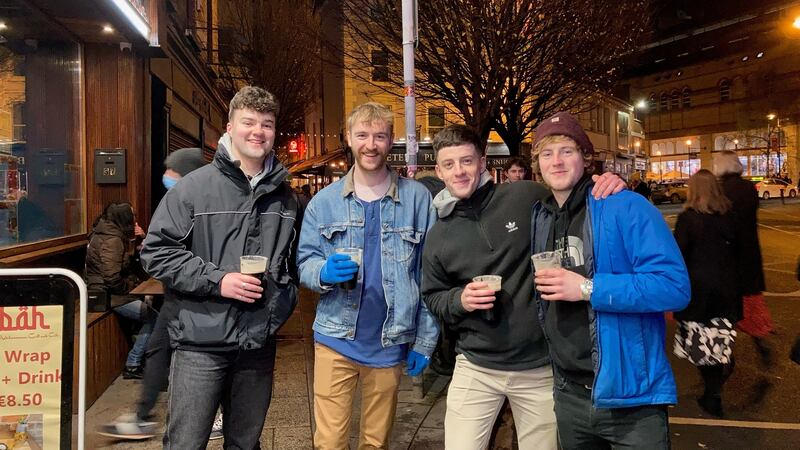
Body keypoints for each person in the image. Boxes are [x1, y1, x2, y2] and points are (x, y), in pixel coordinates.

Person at [421, 123, 624, 449]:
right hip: (475, 367)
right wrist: (461, 299)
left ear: (483, 161)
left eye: (467, 161)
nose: (459, 172)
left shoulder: (524, 196)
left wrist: (608, 182)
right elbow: (432, 296)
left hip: (539, 367)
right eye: (449, 164)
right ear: (439, 171)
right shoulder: (438, 234)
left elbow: (571, 194)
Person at [140, 86, 302, 449]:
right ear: (229, 127)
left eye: (267, 123)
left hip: (257, 342)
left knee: (245, 443)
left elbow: (291, 264)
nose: (257, 131)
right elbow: (156, 251)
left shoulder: (286, 197)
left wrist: (279, 309)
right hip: (200, 343)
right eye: (248, 122)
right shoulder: (194, 188)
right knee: (186, 442)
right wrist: (219, 280)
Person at [529, 112, 690, 449]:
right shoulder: (541, 216)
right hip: (569, 395)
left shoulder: (625, 206)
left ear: (586, 158)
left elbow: (674, 287)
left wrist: (589, 288)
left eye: (566, 151)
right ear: (537, 164)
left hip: (631, 401)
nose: (556, 161)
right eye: (546, 153)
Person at [296, 102, 439, 450]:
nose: (370, 144)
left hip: (390, 342)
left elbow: (431, 275)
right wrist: (323, 273)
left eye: (379, 136)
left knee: (375, 443)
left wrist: (425, 339)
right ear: (349, 138)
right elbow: (305, 264)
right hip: (334, 338)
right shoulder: (323, 202)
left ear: (391, 141)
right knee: (328, 443)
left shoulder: (418, 199)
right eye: (362, 135)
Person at [99, 148, 207, 441]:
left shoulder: (197, 203)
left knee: (203, 357)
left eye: (172, 171)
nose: (167, 176)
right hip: (176, 296)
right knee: (160, 350)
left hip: (196, 297)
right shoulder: (177, 201)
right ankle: (142, 416)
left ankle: (148, 416)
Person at [673, 169, 741, 417]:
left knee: (701, 344)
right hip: (725, 289)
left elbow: (678, 256)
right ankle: (717, 380)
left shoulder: (688, 219)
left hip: (698, 291)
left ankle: (712, 393)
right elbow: (740, 254)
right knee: (718, 338)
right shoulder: (729, 216)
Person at [714, 150, 774, 367]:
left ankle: (725, 353)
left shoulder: (720, 189)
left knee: (725, 306)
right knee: (750, 303)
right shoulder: (749, 188)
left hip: (727, 255)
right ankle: (760, 341)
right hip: (749, 252)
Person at [85, 201, 152, 380]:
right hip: (108, 295)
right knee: (155, 318)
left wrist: (140, 240)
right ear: (123, 217)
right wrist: (133, 290)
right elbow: (112, 278)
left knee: (152, 308)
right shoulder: (112, 239)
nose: (135, 218)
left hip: (107, 292)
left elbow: (123, 264)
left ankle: (140, 357)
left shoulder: (108, 233)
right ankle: (133, 363)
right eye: (132, 215)